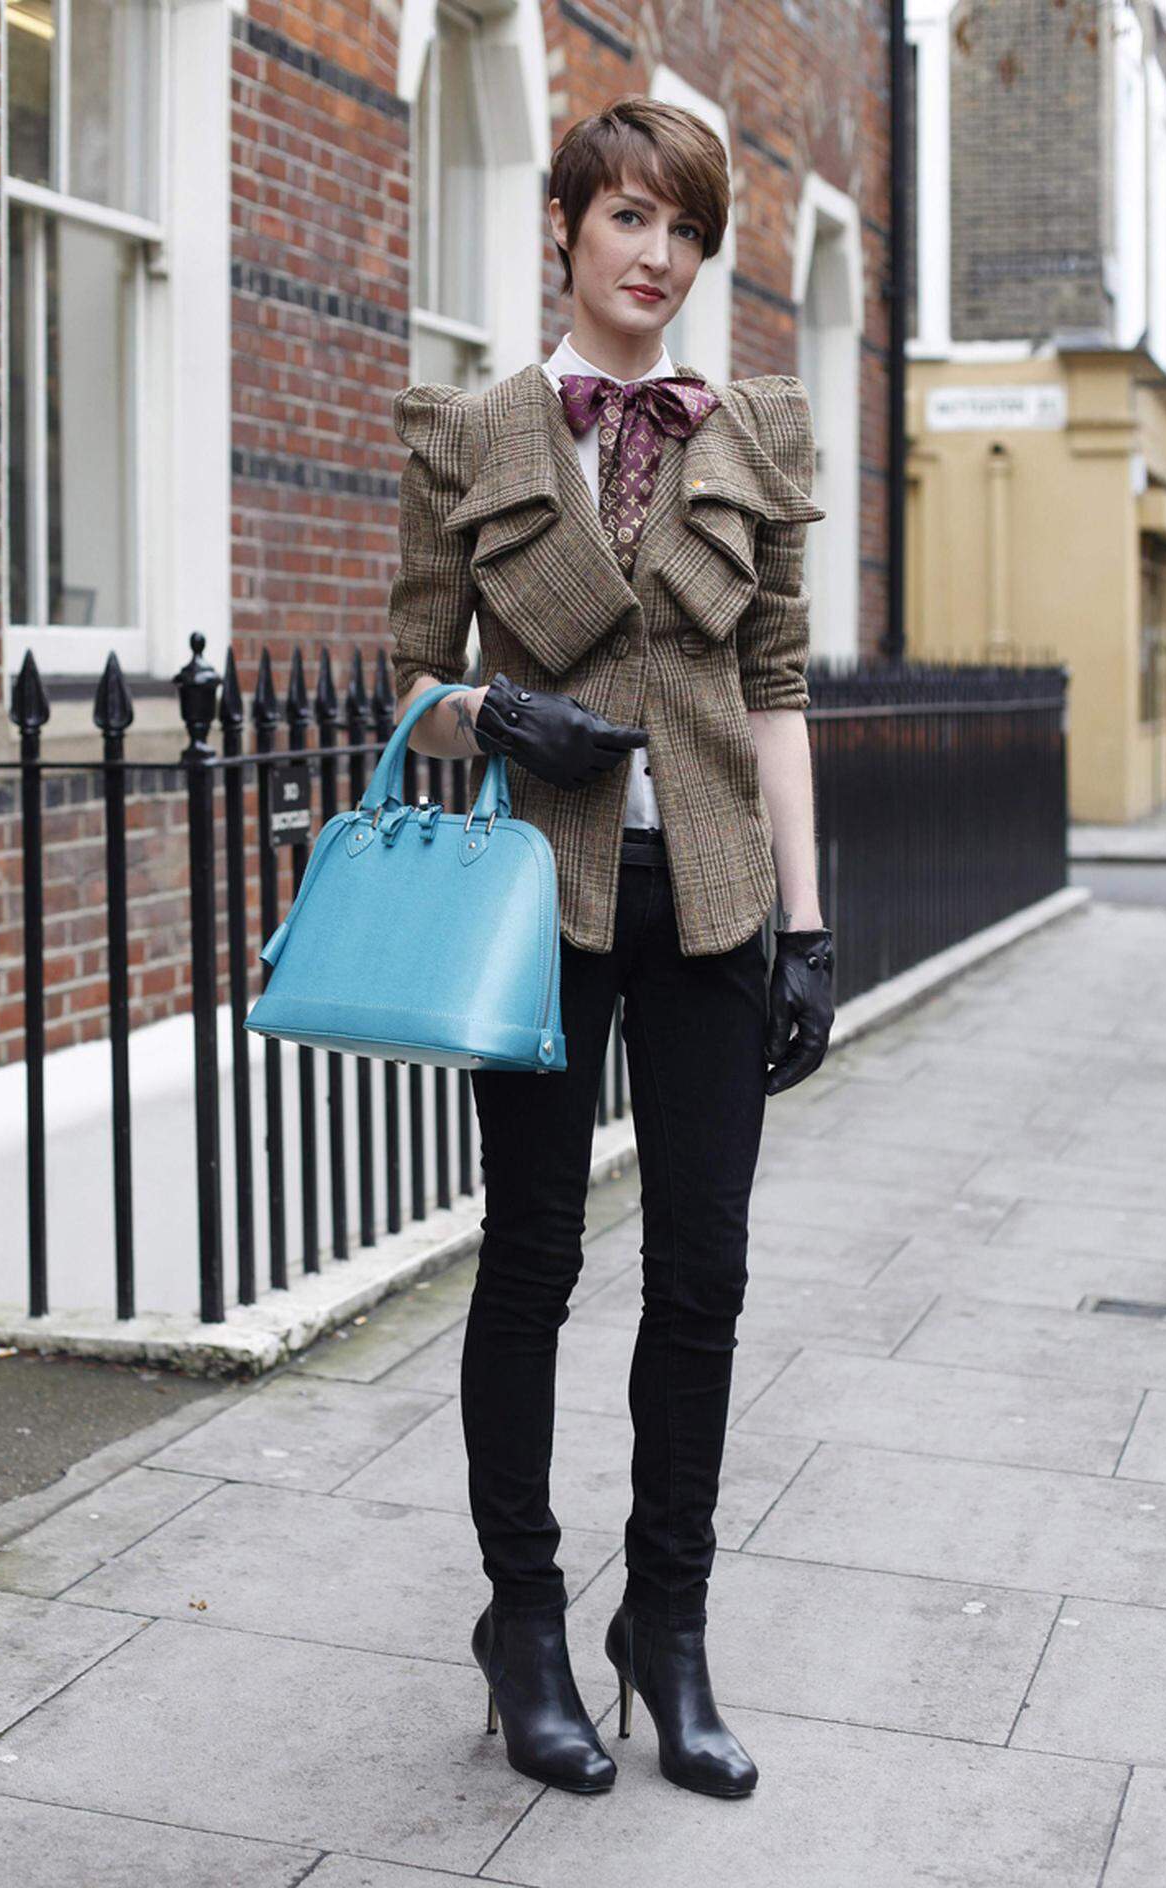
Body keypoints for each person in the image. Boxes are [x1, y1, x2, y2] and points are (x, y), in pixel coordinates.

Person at [386, 96, 835, 1799]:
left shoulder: (754, 433)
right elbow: (412, 690)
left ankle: (672, 1625)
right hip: (543, 905)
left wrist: (811, 927)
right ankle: (525, 1619)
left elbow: (776, 690)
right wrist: (499, 712)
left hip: (715, 902)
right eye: (630, 221)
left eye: (687, 233)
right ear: (566, 226)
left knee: (703, 1278)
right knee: (535, 1262)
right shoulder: (476, 430)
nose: (659, 258)